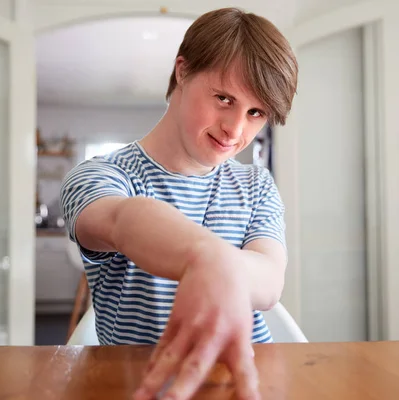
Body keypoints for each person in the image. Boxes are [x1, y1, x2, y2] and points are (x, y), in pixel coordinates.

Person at [60, 7, 298, 400]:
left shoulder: (256, 185)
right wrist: (210, 257)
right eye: (224, 99)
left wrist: (215, 264)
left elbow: (270, 281)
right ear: (183, 72)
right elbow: (122, 219)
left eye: (255, 113)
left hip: (241, 385)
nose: (236, 130)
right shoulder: (102, 176)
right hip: (137, 385)